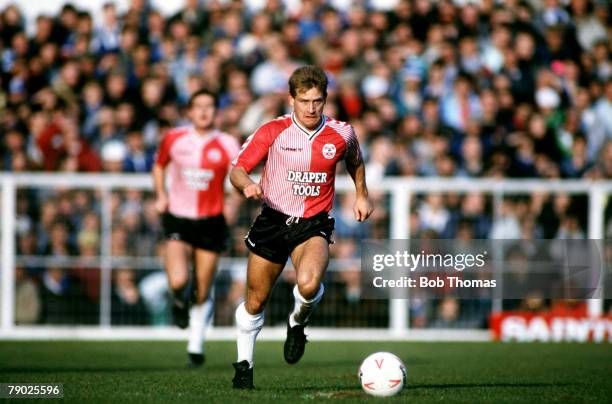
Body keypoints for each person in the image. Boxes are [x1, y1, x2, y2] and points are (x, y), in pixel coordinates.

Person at [229, 65, 372, 389]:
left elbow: (355, 161)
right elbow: (237, 169)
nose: (311, 108)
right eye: (304, 101)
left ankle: (298, 321)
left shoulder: (342, 133)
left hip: (313, 223)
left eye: (317, 101)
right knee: (255, 300)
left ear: (325, 99)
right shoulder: (272, 130)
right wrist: (247, 185)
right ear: (291, 98)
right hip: (273, 220)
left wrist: (362, 194)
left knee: (308, 285)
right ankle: (244, 366)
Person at [152, 89, 240, 368]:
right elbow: (159, 166)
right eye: (198, 106)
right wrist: (160, 194)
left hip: (211, 221)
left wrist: (232, 206)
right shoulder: (174, 138)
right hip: (178, 217)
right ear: (189, 111)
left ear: (217, 112)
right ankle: (179, 304)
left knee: (202, 289)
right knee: (178, 280)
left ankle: (196, 346)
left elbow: (239, 175)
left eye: (209, 106)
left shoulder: (227, 143)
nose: (204, 111)